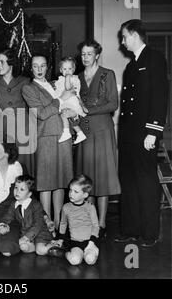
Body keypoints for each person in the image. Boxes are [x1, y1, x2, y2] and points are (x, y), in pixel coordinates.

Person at [115, 19, 169, 248]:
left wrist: (153, 131)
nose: (122, 41)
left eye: (124, 36)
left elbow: (160, 96)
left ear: (135, 35)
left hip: (145, 134)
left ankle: (149, 233)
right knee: (128, 183)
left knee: (146, 183)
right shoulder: (131, 66)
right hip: (128, 135)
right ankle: (131, 230)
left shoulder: (154, 58)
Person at [22, 54, 74, 231]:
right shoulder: (29, 89)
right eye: (35, 66)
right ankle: (47, 225)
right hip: (45, 138)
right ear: (31, 68)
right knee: (45, 183)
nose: (39, 69)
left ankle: (59, 224)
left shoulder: (55, 84)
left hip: (63, 136)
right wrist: (61, 99)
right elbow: (42, 114)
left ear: (47, 67)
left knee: (60, 181)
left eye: (42, 66)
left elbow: (71, 103)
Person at [75, 39, 121, 240]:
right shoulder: (76, 78)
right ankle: (90, 223)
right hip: (84, 133)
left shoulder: (107, 74)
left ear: (97, 55)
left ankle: (101, 224)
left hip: (102, 130)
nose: (85, 58)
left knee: (102, 177)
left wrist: (88, 110)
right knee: (87, 178)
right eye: (83, 54)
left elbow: (113, 104)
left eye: (89, 54)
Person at [0, 49, 35, 177]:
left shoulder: (25, 81)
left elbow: (33, 104)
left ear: (11, 63)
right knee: (5, 166)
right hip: (3, 130)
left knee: (22, 167)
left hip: (23, 130)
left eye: (2, 62)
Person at [0, 175, 64, 257]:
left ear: (29, 194)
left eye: (22, 189)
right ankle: (36, 247)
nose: (17, 191)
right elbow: (8, 216)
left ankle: (56, 244)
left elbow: (38, 224)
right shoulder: (14, 204)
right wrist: (2, 223)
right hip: (27, 234)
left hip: (40, 233)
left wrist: (26, 237)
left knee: (40, 250)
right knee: (23, 247)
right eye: (16, 188)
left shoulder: (35, 205)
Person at [57, 174, 100, 265]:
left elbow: (96, 226)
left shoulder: (90, 207)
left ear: (85, 194)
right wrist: (60, 239)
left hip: (90, 242)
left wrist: (92, 242)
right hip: (75, 243)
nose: (71, 194)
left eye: (75, 192)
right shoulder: (66, 207)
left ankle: (91, 252)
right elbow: (63, 223)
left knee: (90, 260)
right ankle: (65, 254)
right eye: (70, 190)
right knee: (74, 261)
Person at [54, 57, 87, 144]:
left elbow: (68, 88)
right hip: (64, 102)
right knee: (66, 116)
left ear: (74, 69)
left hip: (71, 103)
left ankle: (66, 133)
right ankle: (80, 133)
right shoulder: (60, 79)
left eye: (70, 69)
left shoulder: (74, 79)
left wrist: (68, 77)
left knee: (64, 114)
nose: (67, 71)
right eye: (65, 69)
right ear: (61, 70)